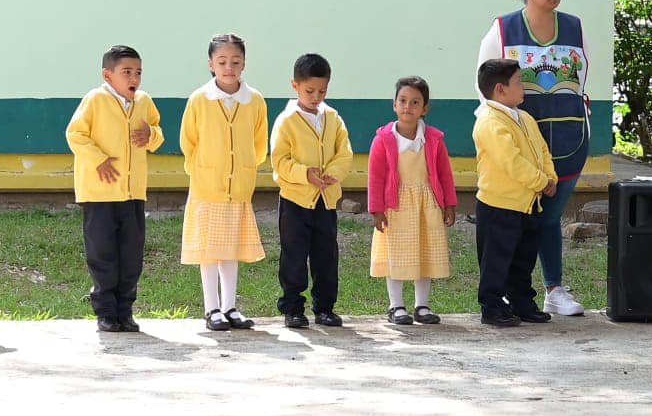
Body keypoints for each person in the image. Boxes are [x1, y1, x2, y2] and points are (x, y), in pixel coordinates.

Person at [476, 0, 590, 316]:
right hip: (520, 146)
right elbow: (486, 88)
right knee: (520, 224)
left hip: (568, 140)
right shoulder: (503, 29)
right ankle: (507, 295)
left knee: (549, 217)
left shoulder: (574, 27)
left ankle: (553, 289)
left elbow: (580, 82)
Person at [65, 45, 164, 333]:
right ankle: (106, 312)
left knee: (131, 254)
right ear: (108, 75)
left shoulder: (143, 102)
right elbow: (75, 134)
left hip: (133, 192)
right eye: (126, 72)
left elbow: (156, 131)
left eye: (138, 72)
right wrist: (99, 160)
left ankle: (125, 310)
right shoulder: (95, 99)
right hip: (100, 194)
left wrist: (151, 135)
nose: (134, 78)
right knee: (103, 253)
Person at [180, 33, 267, 331]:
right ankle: (211, 308)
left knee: (231, 249)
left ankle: (230, 306)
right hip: (207, 187)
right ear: (211, 64)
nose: (229, 67)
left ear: (244, 64)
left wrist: (242, 169)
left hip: (238, 187)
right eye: (222, 61)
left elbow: (258, 144)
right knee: (209, 249)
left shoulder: (254, 100)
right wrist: (204, 170)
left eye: (235, 61)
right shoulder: (199, 100)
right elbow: (188, 141)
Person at [473, 59, 558, 327]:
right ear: (500, 89)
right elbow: (511, 161)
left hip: (528, 204)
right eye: (519, 81)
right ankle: (492, 306)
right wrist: (540, 182)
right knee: (496, 260)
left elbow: (542, 150)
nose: (524, 86)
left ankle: (522, 301)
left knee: (523, 259)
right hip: (499, 205)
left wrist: (550, 176)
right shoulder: (489, 121)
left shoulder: (525, 117)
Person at [271, 53, 353, 329]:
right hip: (295, 199)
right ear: (295, 86)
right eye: (309, 91)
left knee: (326, 256)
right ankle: (293, 307)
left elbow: (345, 152)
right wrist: (305, 174)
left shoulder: (333, 118)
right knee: (293, 255)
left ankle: (325, 307)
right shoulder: (287, 121)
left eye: (322, 91)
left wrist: (333, 174)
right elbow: (280, 160)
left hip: (325, 199)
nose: (316, 96)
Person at [368, 76, 457, 325]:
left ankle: (422, 305)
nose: (408, 107)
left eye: (415, 102)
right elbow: (375, 176)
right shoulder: (383, 139)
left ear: (425, 108)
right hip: (395, 206)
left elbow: (444, 173)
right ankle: (396, 305)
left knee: (424, 253)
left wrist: (449, 204)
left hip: (426, 204)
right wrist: (376, 209)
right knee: (397, 255)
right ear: (394, 104)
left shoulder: (434, 139)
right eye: (403, 101)